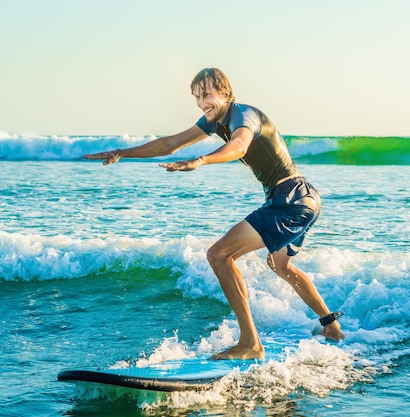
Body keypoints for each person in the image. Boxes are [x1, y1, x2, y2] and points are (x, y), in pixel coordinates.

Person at [84, 68, 344, 359]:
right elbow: (170, 144)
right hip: (299, 198)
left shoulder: (243, 116)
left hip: (291, 199)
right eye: (196, 96)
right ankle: (331, 326)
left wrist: (202, 160)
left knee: (219, 255)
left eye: (207, 95)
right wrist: (122, 152)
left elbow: (239, 145)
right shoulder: (215, 120)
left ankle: (250, 344)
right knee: (280, 266)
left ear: (225, 93)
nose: (201, 102)